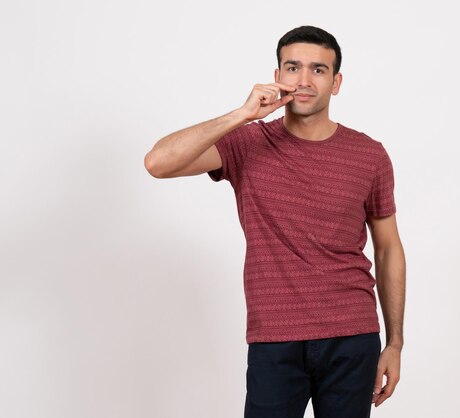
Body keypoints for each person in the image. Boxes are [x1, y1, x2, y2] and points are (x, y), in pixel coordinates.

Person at [144, 25, 406, 418]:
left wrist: (395, 344)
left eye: (318, 70)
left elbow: (388, 249)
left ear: (336, 83)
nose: (303, 81)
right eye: (292, 68)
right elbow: (158, 163)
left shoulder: (368, 155)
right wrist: (242, 114)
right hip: (275, 337)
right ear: (277, 74)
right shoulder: (247, 143)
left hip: (352, 335)